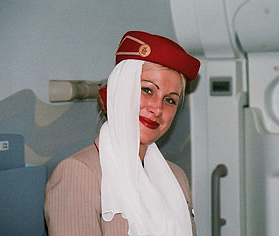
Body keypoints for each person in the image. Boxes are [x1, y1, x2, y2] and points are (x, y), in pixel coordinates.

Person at [44, 31, 200, 236]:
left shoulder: (177, 177)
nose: (157, 108)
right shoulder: (79, 173)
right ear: (121, 90)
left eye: (170, 100)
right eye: (147, 90)